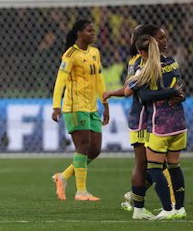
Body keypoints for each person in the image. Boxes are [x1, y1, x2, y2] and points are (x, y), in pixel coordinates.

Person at [103, 25, 178, 219]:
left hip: (152, 119)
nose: (164, 41)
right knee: (150, 163)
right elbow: (130, 89)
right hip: (144, 119)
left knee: (157, 162)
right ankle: (150, 204)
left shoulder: (160, 61)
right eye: (160, 38)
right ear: (149, 42)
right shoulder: (140, 61)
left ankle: (137, 199)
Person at [125, 35, 187, 220]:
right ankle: (179, 209)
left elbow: (143, 96)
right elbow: (179, 87)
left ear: (142, 52)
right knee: (174, 165)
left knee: (153, 168)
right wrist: (176, 92)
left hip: (160, 124)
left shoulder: (145, 70)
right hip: (179, 123)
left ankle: (167, 209)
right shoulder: (172, 62)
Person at [51, 19, 110, 201]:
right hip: (74, 106)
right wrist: (56, 106)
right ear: (79, 33)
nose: (93, 33)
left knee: (95, 149)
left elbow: (99, 79)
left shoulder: (95, 52)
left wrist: (105, 104)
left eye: (94, 30)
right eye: (89, 31)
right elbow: (60, 81)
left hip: (92, 106)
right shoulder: (70, 55)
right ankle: (81, 191)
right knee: (83, 146)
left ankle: (63, 177)